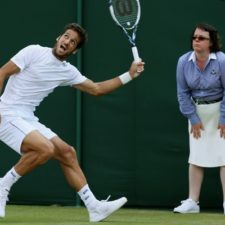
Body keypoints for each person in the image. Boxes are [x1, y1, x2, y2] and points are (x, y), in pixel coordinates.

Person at [0, 23, 145, 221]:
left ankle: (94, 207)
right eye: (66, 36)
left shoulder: (67, 71)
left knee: (67, 153)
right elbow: (2, 72)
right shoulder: (33, 51)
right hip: (6, 114)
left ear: (74, 50)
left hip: (27, 118)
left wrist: (130, 75)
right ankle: (3, 185)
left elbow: (96, 89)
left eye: (72, 42)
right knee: (46, 149)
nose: (67, 42)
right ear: (58, 37)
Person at [174, 23, 225, 214]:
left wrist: (224, 118)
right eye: (194, 37)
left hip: (220, 112)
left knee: (224, 157)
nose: (196, 41)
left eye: (201, 38)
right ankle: (192, 202)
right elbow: (182, 93)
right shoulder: (183, 62)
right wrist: (193, 118)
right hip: (197, 115)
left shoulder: (221, 61)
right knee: (196, 157)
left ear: (211, 42)